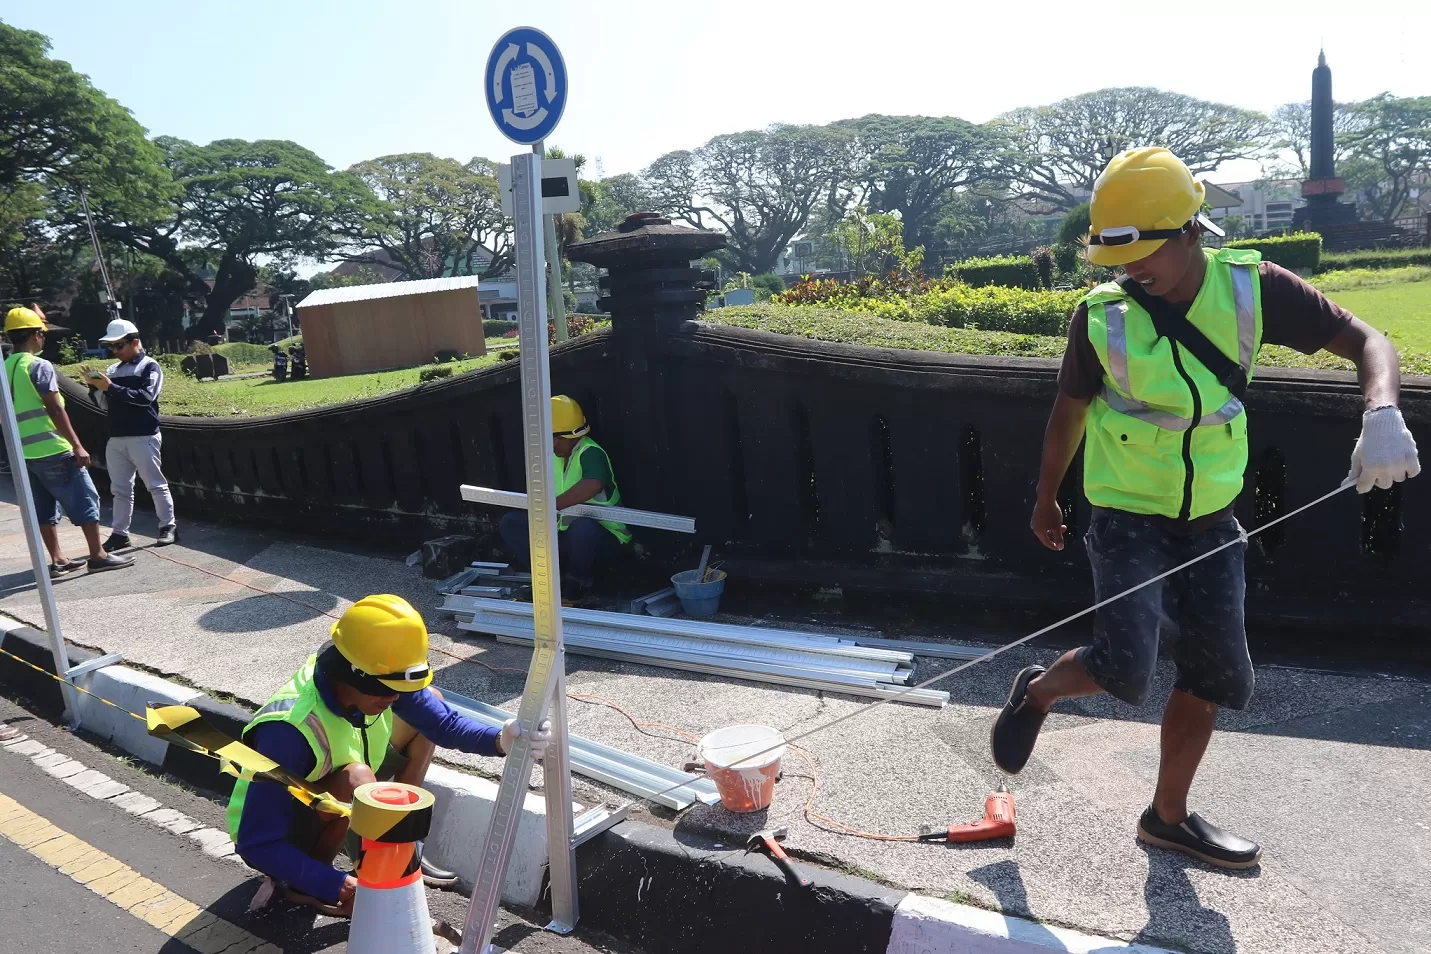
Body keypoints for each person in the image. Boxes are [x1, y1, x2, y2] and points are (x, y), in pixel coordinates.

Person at [991, 147, 1420, 870]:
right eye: (1115, 258)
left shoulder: (1253, 289)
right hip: (1125, 509)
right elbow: (1066, 413)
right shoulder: (1100, 318)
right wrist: (1045, 498)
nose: (1129, 271)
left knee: (1214, 671)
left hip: (1212, 516)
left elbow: (1367, 340)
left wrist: (1381, 412)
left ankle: (1166, 818)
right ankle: (1036, 691)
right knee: (1122, 665)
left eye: (1143, 253)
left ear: (1190, 230)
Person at [227, 594, 549, 915]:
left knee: (426, 708)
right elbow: (257, 841)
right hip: (279, 834)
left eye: (401, 688)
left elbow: (443, 724)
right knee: (358, 780)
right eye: (388, 688)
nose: (396, 697)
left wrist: (501, 740)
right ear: (355, 674)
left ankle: (398, 853)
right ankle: (304, 884)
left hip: (333, 792)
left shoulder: (378, 680)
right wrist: (333, 884)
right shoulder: (289, 732)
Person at [3, 305, 133, 576]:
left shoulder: (5, 369)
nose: (43, 338)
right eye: (42, 333)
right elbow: (54, 407)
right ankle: (97, 555)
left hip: (24, 452)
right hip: (53, 447)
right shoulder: (38, 366)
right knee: (86, 497)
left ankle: (58, 559)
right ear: (36, 334)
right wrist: (76, 444)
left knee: (43, 506)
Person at [499, 395, 631, 599]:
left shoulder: (591, 453)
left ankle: (578, 582)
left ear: (565, 436)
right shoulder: (553, 456)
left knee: (583, 529)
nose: (548, 446)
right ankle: (549, 581)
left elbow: (593, 484)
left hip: (606, 540)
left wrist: (553, 505)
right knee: (511, 523)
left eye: (550, 439)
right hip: (566, 534)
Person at [82, 318, 177, 550]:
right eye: (111, 347)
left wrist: (110, 387)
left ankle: (168, 526)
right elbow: (105, 404)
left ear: (135, 342)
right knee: (120, 489)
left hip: (143, 434)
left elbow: (146, 397)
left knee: (155, 484)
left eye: (119, 346)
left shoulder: (149, 366)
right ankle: (120, 532)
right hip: (117, 437)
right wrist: (94, 387)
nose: (115, 351)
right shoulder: (112, 369)